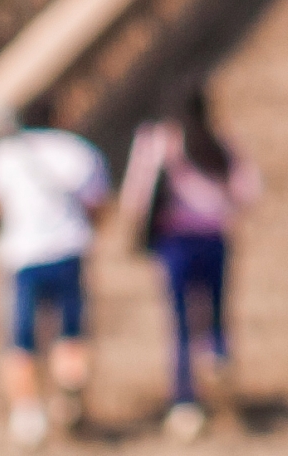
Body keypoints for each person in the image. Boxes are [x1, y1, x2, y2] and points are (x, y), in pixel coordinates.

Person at [0, 99, 110, 446]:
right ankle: (69, 389)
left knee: (22, 339)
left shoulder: (5, 154)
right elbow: (98, 204)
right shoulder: (78, 151)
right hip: (68, 249)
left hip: (23, 255)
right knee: (71, 333)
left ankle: (28, 415)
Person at [119, 85, 255, 438]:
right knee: (215, 314)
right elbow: (248, 191)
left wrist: (135, 230)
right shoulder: (218, 142)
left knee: (180, 322)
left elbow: (136, 194)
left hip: (174, 241)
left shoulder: (156, 141)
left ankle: (185, 401)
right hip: (215, 237)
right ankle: (218, 365)